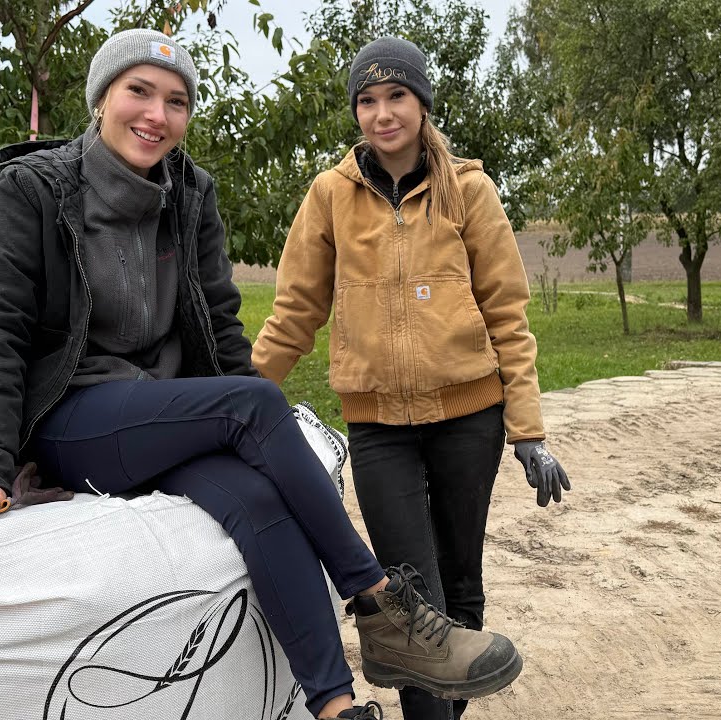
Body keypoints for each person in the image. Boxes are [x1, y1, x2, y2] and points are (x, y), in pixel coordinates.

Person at [0, 29, 522, 720]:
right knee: (256, 405)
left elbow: (220, 325)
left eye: (176, 101)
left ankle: (336, 707)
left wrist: (254, 438)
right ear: (102, 96)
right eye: (138, 91)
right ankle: (379, 603)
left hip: (160, 413)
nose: (155, 115)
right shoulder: (33, 191)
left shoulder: (189, 193)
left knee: (260, 502)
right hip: (71, 416)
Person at [251, 37, 571, 720]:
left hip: (469, 419)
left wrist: (529, 432)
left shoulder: (470, 191)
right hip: (378, 428)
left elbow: (508, 316)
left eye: (396, 96)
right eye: (367, 100)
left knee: (460, 583)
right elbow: (293, 314)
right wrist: (236, 401)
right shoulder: (330, 196)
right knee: (408, 601)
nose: (381, 113)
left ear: (422, 104)